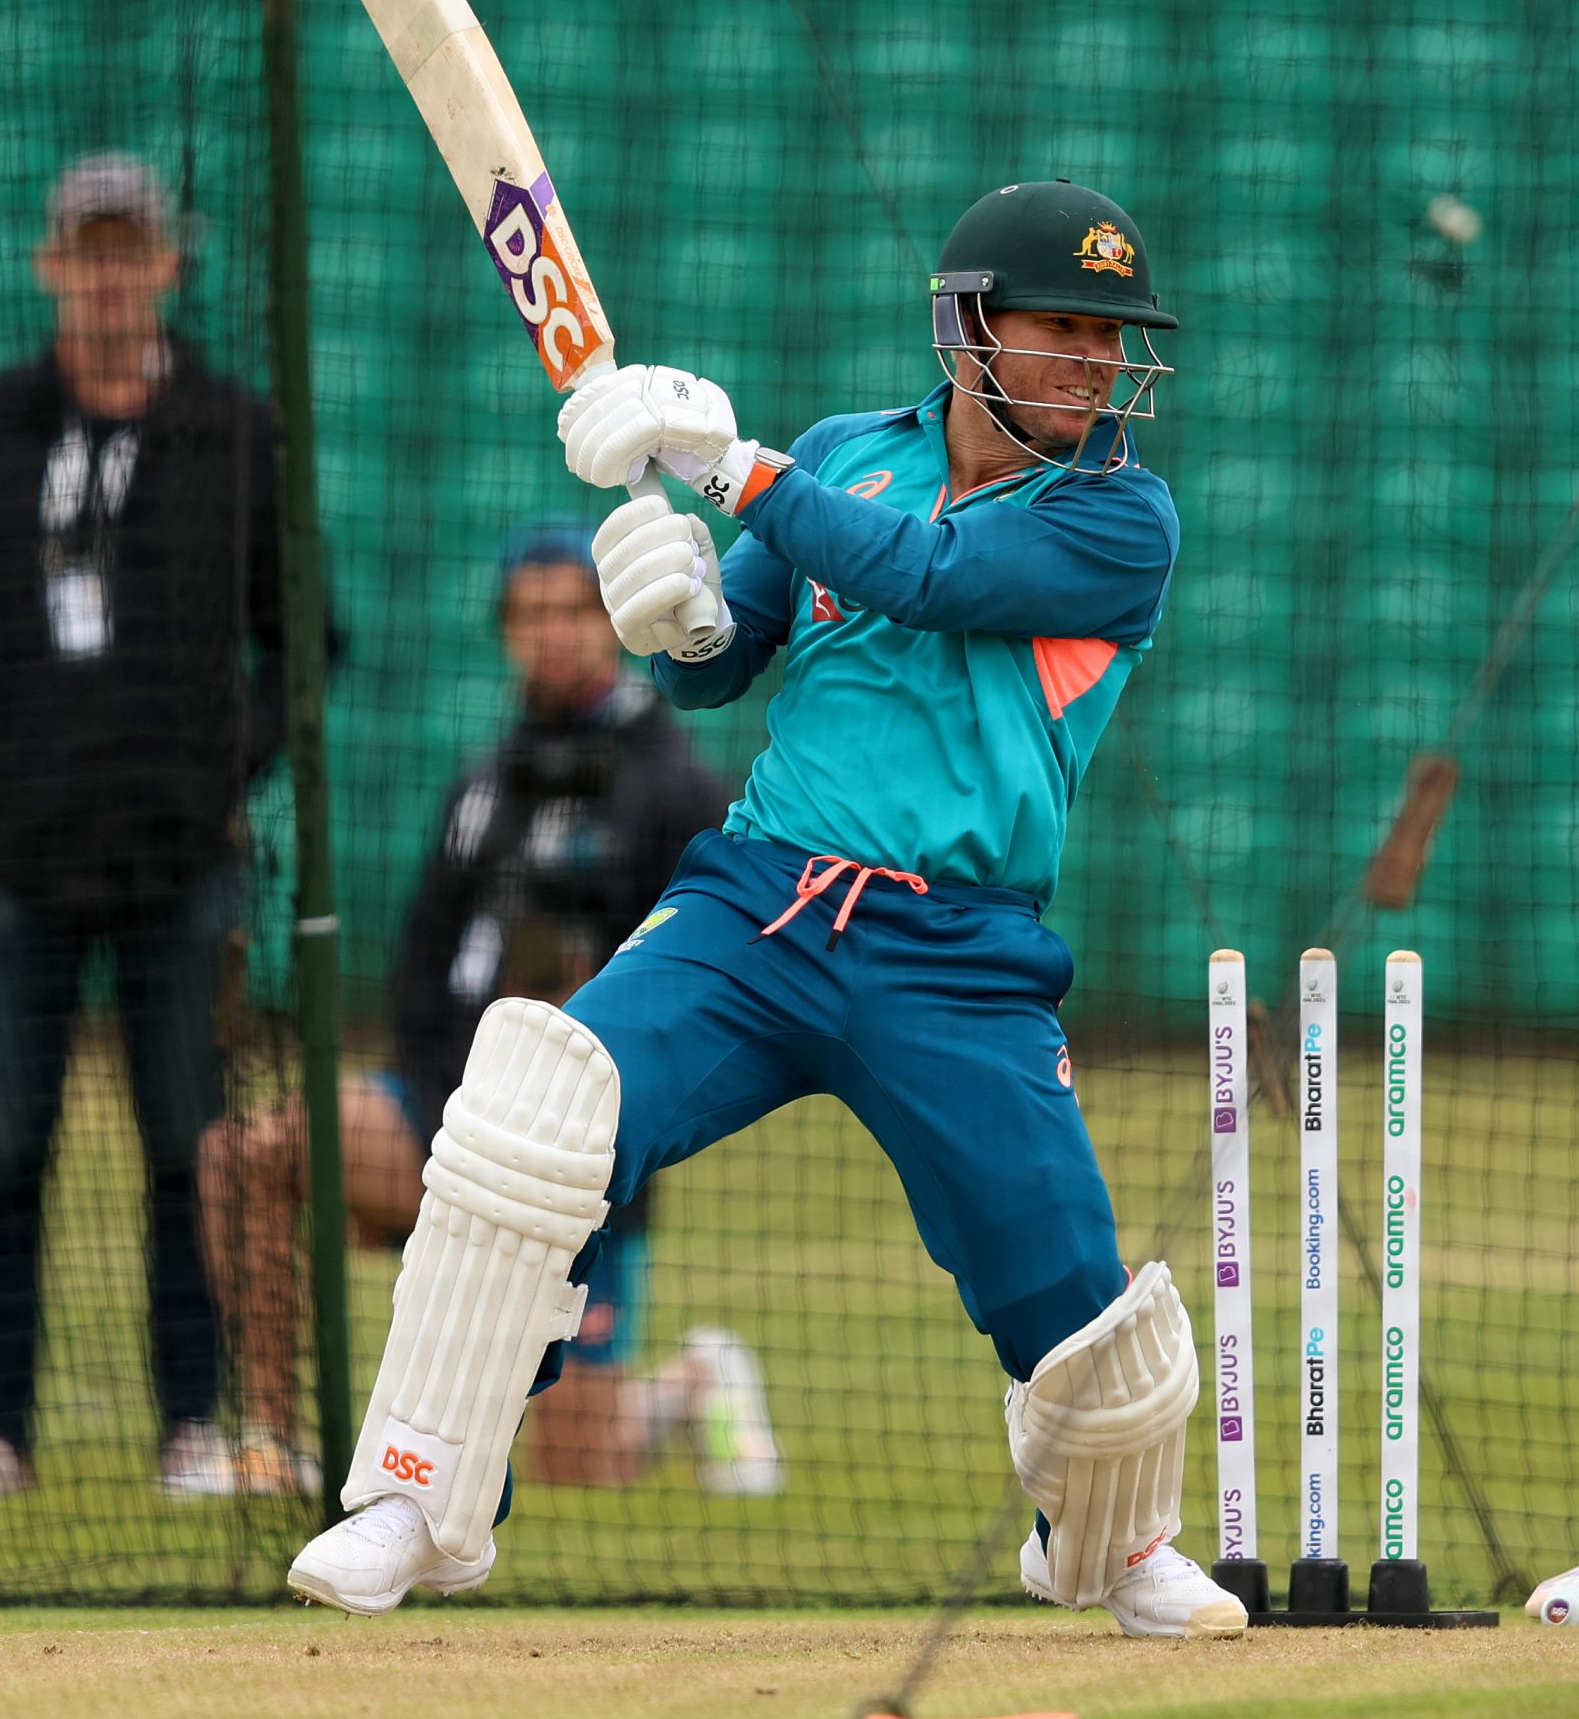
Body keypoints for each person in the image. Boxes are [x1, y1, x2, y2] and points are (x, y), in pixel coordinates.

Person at [289, 180, 1242, 1639]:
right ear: (971, 325)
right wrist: (680, 618)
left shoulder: (1122, 519)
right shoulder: (857, 454)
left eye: (1117, 336)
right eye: (1069, 327)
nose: (1102, 361)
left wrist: (729, 464)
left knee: (1070, 1286)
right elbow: (721, 663)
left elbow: (928, 578)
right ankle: (414, 1496)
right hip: (760, 908)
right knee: (540, 1112)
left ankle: (1112, 1551)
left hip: (957, 952)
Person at [198, 523, 780, 1498]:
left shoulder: (669, 783)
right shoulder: (482, 778)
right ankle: (269, 1442)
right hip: (442, 1111)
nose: (551, 633)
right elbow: (422, 960)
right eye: (529, 614)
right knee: (246, 1151)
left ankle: (691, 1379)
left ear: (615, 621)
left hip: (577, 1154)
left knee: (579, 1464)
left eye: (572, 611)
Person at [0, 153, 297, 1501]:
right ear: (52, 267)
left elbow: (300, 642)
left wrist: (215, 775)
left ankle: (194, 1420)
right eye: (89, 249)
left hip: (183, 866)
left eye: (134, 249)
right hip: (18, 862)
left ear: (169, 267)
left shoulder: (232, 431)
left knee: (188, 1147)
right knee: (11, 1147)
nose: (112, 272)